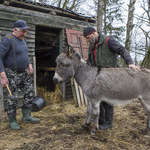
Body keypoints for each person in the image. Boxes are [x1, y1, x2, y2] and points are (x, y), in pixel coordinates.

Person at [83, 26, 140, 130]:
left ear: (93, 33)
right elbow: (89, 61)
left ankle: (108, 123)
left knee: (108, 100)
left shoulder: (108, 40)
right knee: (98, 99)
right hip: (98, 77)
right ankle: (100, 120)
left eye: (87, 38)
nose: (87, 40)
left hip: (111, 76)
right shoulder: (92, 46)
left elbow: (122, 50)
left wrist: (130, 63)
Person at [0, 20, 40, 130]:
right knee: (14, 97)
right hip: (11, 73)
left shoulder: (23, 40)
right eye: (23, 31)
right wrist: (2, 75)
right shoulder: (7, 40)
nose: (25, 34)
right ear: (15, 29)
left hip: (23, 73)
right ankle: (12, 121)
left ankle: (26, 116)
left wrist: (29, 64)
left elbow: (25, 54)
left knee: (30, 91)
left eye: (26, 31)